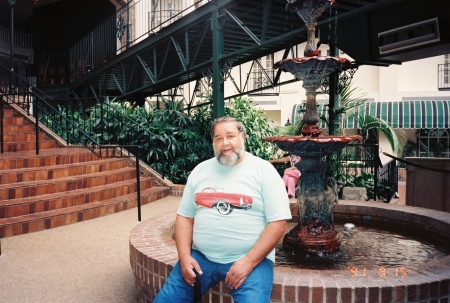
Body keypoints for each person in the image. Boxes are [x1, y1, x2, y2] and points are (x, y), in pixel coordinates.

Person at [154, 116, 292, 303]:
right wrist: (185, 257)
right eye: (218, 138)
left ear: (242, 136)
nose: (225, 143)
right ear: (213, 142)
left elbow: (278, 223)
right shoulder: (200, 171)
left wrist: (249, 261)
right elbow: (185, 217)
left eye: (230, 136)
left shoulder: (264, 171)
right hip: (201, 257)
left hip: (252, 259)